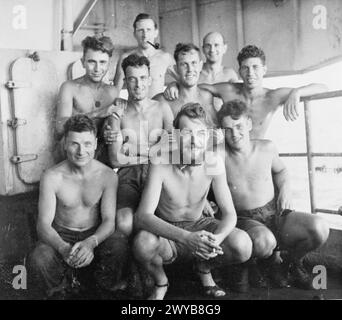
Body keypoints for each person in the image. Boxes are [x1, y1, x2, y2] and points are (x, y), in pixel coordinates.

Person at [133, 103, 253, 300]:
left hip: (201, 226)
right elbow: (142, 217)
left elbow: (230, 214)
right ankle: (161, 281)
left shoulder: (213, 161)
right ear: (177, 136)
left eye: (200, 134)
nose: (194, 140)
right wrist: (187, 238)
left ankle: (204, 268)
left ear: (208, 137)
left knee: (243, 244)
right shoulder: (161, 162)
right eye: (187, 133)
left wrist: (218, 239)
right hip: (169, 233)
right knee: (143, 243)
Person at [217, 100, 330, 290]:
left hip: (274, 212)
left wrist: (285, 189)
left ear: (250, 123)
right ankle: (254, 264)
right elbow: (198, 172)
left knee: (319, 227)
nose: (234, 134)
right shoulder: (218, 154)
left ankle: (290, 263)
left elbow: (282, 171)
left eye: (239, 126)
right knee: (264, 242)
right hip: (244, 218)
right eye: (227, 129)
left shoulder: (266, 147)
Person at [29, 115, 128, 298]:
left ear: (96, 144)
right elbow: (43, 225)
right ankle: (59, 291)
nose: (81, 151)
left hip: (94, 232)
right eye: (75, 144)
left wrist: (91, 242)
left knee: (118, 244)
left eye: (87, 144)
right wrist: (63, 248)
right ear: (65, 144)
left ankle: (105, 288)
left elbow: (108, 220)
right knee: (39, 257)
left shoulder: (107, 175)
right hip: (61, 234)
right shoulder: (52, 176)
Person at [165, 45, 328, 139]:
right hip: (227, 153)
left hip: (254, 154)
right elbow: (194, 87)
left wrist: (297, 92)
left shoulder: (273, 96)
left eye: (256, 67)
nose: (251, 73)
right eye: (246, 68)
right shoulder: (228, 90)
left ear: (264, 69)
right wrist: (174, 84)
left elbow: (323, 88)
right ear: (239, 71)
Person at [107, 53, 174, 237]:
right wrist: (154, 151)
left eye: (143, 78)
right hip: (129, 177)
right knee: (124, 222)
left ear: (150, 79)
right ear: (126, 82)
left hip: (159, 173)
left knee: (167, 218)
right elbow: (115, 159)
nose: (139, 84)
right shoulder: (118, 112)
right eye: (132, 79)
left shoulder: (162, 109)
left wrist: (132, 149)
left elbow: (172, 150)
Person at [55, 36, 122, 161]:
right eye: (92, 62)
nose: (97, 69)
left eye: (102, 62)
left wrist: (109, 134)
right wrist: (98, 113)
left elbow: (108, 127)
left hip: (100, 159)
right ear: (83, 62)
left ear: (109, 64)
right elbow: (59, 128)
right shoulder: (69, 87)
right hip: (73, 158)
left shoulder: (112, 92)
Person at [154, 43, 219, 126]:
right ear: (176, 68)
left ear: (200, 66)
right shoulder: (161, 101)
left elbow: (216, 131)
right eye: (184, 64)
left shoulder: (206, 96)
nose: (190, 69)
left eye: (194, 63)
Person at [114, 13, 175, 98]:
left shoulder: (165, 57)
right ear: (134, 33)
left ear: (156, 32)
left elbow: (184, 80)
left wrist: (174, 84)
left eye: (149, 30)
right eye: (140, 30)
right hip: (134, 110)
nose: (145, 35)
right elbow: (115, 92)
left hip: (156, 109)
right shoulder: (125, 57)